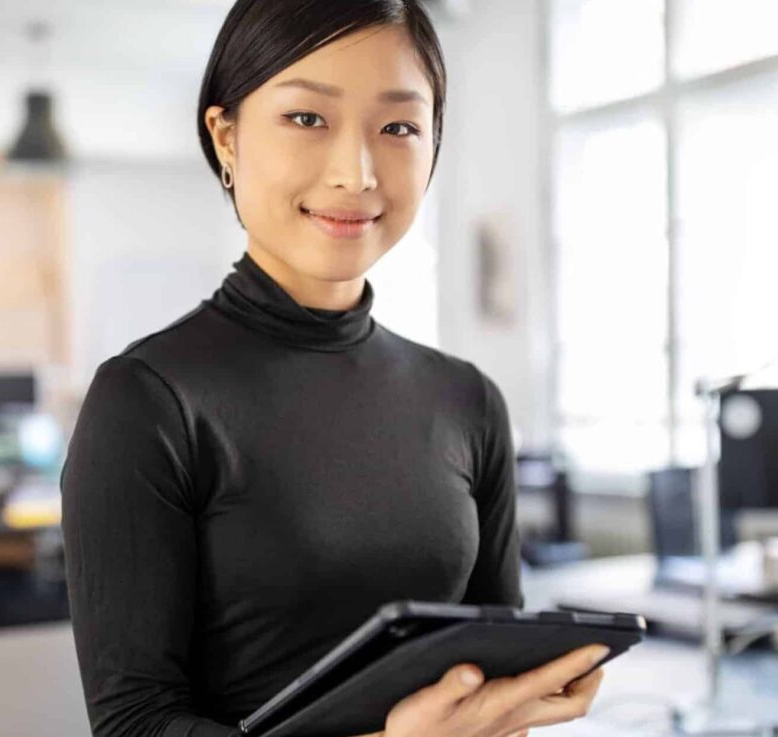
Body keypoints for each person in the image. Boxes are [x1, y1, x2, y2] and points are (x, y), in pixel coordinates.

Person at [60, 2, 607, 736]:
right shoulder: (149, 400)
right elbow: (134, 724)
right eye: (308, 119)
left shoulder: (468, 400)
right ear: (226, 138)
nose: (356, 173)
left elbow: (484, 675)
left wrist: (524, 695)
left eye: (400, 127)